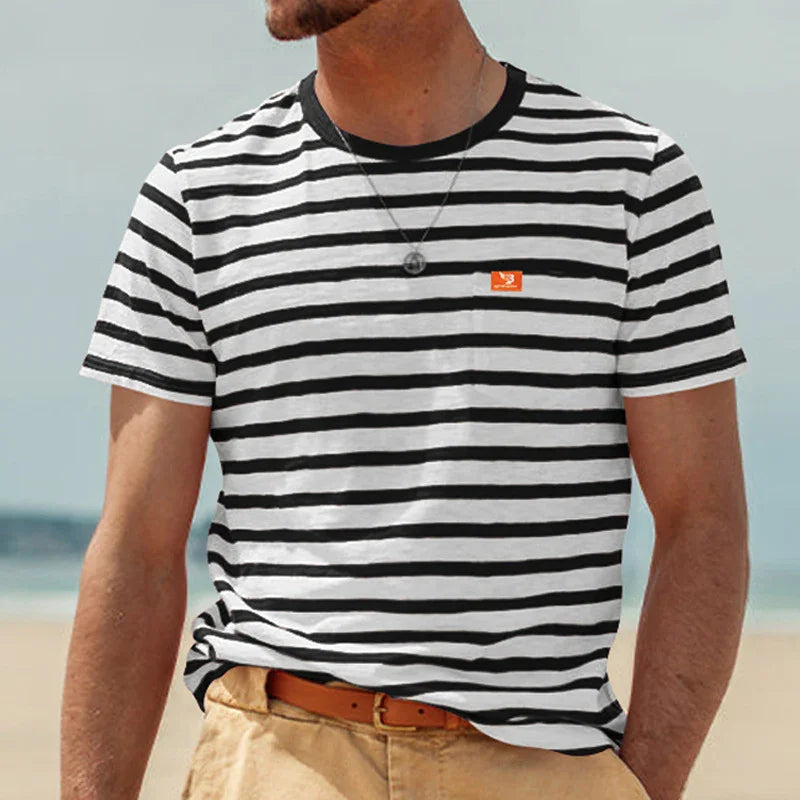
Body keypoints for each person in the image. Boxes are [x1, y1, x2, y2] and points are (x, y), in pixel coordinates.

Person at [62, 1, 750, 798]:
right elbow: (138, 550)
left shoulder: (632, 186)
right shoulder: (197, 195)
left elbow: (704, 519)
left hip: (541, 766)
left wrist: (644, 787)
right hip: (278, 759)